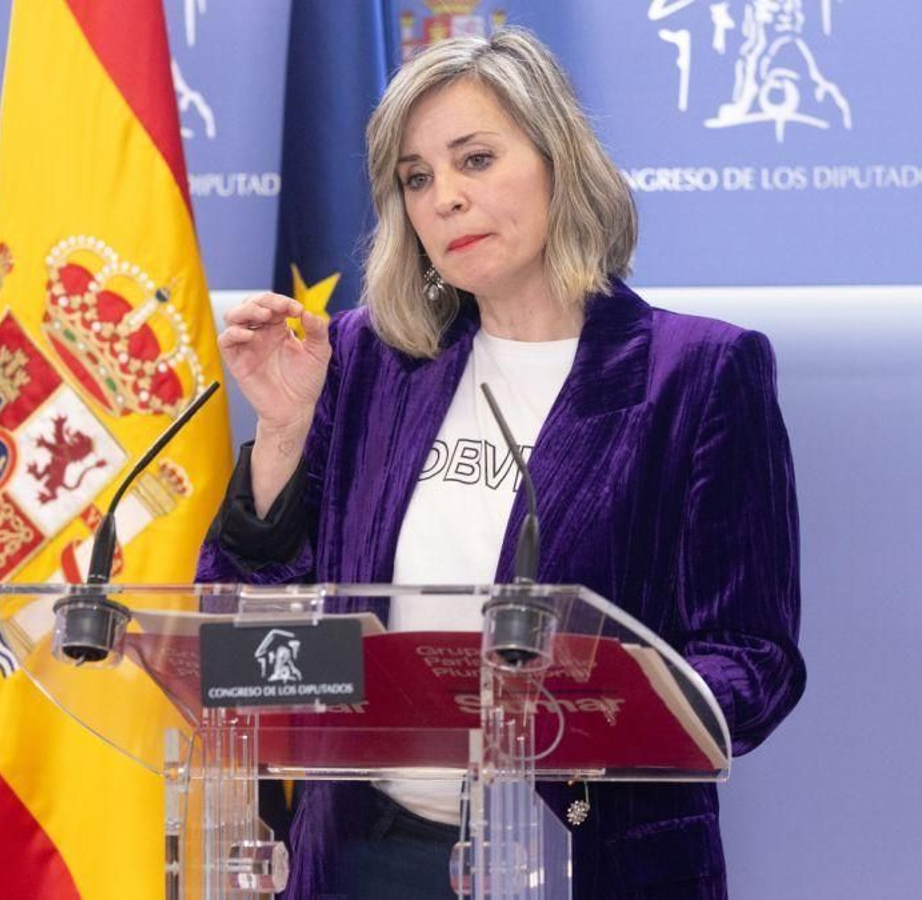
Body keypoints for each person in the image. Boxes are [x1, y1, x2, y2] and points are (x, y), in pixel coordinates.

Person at [197, 27, 804, 899]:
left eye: (475, 159)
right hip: (359, 856)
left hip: (584, 858)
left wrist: (578, 712)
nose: (444, 197)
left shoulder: (698, 376)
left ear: (560, 162)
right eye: (417, 177)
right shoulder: (375, 359)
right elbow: (247, 631)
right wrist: (284, 429)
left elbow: (753, 659)